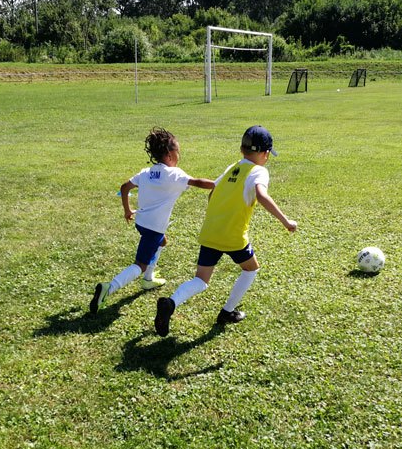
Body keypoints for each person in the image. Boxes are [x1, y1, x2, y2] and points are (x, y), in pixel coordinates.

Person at [154, 125, 297, 336]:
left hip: (210, 231)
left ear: (242, 149)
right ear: (265, 153)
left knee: (201, 280)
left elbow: (213, 192)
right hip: (232, 236)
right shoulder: (259, 171)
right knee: (251, 269)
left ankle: (171, 303)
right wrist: (286, 221)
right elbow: (261, 195)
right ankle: (227, 312)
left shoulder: (232, 167)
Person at [90, 128, 214, 314]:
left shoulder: (146, 172)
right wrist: (218, 184)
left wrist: (127, 211)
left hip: (141, 222)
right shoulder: (174, 174)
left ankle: (148, 279)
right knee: (139, 265)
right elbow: (197, 182)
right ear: (170, 154)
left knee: (162, 242)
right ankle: (109, 287)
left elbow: (124, 187)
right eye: (178, 151)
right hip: (153, 228)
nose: (179, 155)